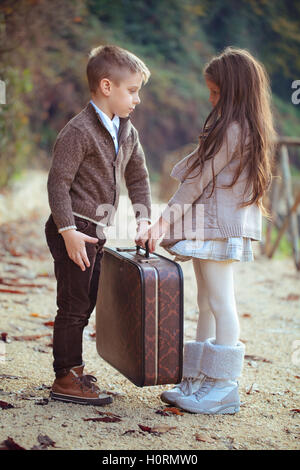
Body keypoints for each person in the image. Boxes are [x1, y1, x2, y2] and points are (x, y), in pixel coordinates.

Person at [137, 47, 276, 414]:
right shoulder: (233, 124)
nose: (211, 98)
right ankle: (198, 378)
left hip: (218, 227)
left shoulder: (234, 128)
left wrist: (163, 221)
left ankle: (223, 386)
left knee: (220, 301)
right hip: (209, 226)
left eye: (216, 92)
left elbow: (196, 180)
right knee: (205, 302)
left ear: (234, 91)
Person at [45, 45, 152, 405]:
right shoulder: (79, 131)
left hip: (94, 231)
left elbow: (138, 178)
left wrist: (144, 219)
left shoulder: (127, 131)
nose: (137, 99)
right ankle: (66, 377)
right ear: (107, 87)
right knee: (74, 304)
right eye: (132, 90)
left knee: (87, 301)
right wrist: (66, 231)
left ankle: (73, 368)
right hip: (72, 229)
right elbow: (58, 183)